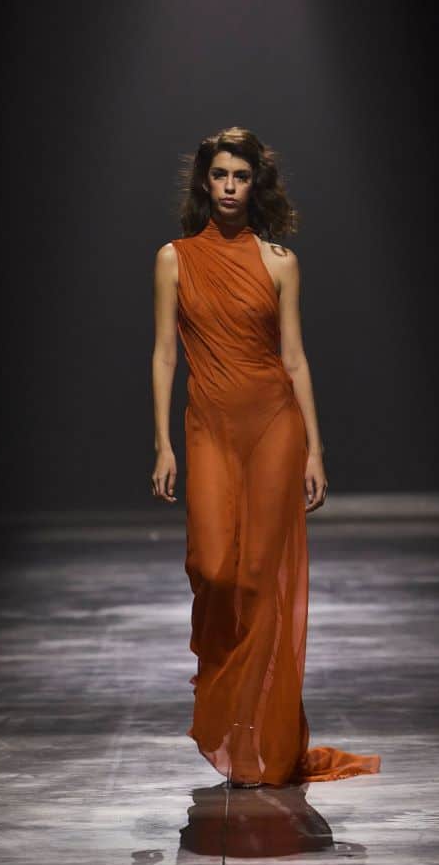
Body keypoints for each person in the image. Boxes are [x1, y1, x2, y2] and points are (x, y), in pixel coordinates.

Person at [151, 126, 380, 787]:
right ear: (204, 182)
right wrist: (162, 442)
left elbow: (295, 358)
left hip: (275, 426)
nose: (229, 187)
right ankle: (227, 704)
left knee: (257, 577)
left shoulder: (280, 262)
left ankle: (257, 736)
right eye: (219, 175)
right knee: (212, 567)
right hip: (209, 427)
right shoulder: (173, 259)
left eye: (240, 176)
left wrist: (316, 450)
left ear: (256, 185)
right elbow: (164, 354)